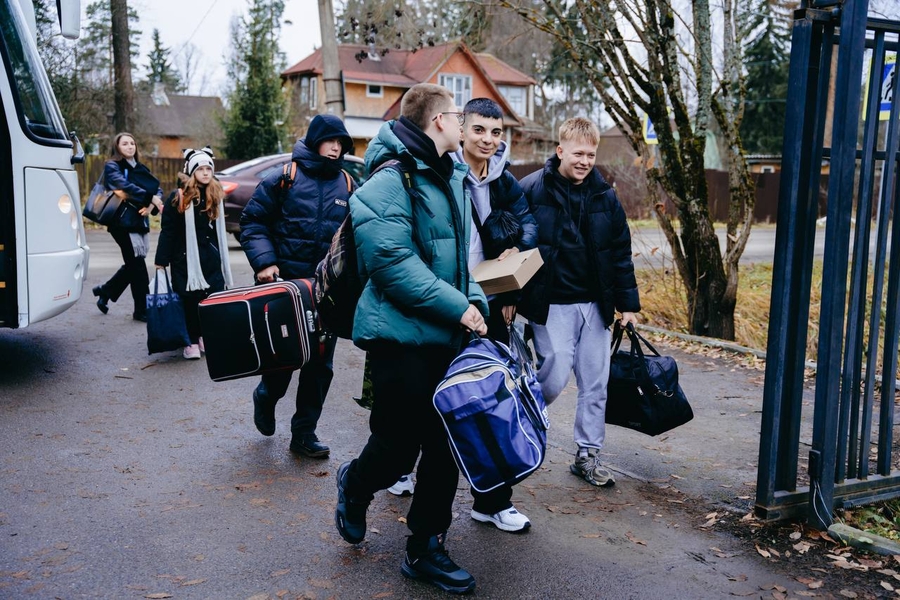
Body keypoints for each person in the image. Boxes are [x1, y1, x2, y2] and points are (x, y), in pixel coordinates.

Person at [334, 83, 487, 594]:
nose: (466, 123)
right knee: (398, 449)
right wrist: (459, 307)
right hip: (397, 338)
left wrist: (478, 305)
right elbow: (394, 267)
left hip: (445, 336)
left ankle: (426, 547)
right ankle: (355, 485)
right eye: (460, 115)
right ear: (440, 121)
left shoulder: (452, 176)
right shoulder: (385, 183)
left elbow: (461, 260)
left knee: (446, 446)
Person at [386, 98, 538, 532]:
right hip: (439, 301)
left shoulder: (504, 179)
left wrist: (512, 268)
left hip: (487, 299)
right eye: (478, 131)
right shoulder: (440, 173)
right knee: (427, 398)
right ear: (460, 130)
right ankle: (397, 465)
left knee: (491, 400)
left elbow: (528, 225)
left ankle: (491, 500)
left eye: (495, 133)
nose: (488, 140)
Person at [518, 117, 641, 488]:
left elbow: (621, 252)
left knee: (595, 383)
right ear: (560, 151)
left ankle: (587, 454)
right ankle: (517, 425)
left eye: (591, 154)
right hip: (551, 303)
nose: (585, 161)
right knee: (553, 376)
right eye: (578, 153)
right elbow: (512, 246)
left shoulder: (605, 196)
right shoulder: (530, 189)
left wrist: (628, 305)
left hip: (596, 307)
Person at [240, 114, 355, 457]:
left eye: (342, 144)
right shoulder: (284, 178)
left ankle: (304, 434)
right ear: (315, 139)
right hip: (285, 288)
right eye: (331, 141)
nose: (336, 148)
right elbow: (253, 222)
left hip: (327, 294)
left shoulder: (349, 186)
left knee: (320, 367)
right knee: (284, 359)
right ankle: (266, 395)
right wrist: (265, 262)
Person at [154, 147, 234, 360]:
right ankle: (190, 339)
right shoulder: (179, 197)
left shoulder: (216, 194)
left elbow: (217, 231)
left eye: (209, 168)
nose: (206, 172)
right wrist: (161, 260)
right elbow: (168, 230)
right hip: (185, 260)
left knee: (210, 298)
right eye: (200, 169)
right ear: (191, 171)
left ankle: (204, 335)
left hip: (210, 258)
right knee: (189, 301)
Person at [92, 132, 165, 322]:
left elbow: (157, 188)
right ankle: (142, 310)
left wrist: (151, 204)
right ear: (117, 147)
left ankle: (106, 290)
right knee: (139, 267)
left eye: (132, 143)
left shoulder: (141, 167)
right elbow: (122, 185)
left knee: (134, 265)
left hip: (139, 222)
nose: (130, 146)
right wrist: (150, 197)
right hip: (121, 223)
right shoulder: (112, 166)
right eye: (125, 143)